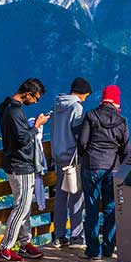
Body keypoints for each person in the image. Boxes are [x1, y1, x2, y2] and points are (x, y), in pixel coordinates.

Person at [0, 78, 49, 262]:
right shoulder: (15, 111)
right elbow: (22, 139)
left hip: (12, 163)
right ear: (27, 93)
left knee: (24, 205)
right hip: (21, 165)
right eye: (35, 98)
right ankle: (5, 247)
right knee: (22, 207)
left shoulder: (6, 107)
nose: (35, 102)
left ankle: (25, 243)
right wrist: (37, 126)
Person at [78, 84, 131, 259]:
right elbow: (126, 149)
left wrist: (86, 157)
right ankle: (109, 248)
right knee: (111, 207)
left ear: (103, 98)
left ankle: (93, 250)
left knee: (92, 208)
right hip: (113, 168)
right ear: (117, 101)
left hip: (92, 166)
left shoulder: (91, 116)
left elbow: (82, 143)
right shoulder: (122, 121)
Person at [48, 78, 92, 248]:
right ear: (82, 92)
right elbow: (79, 135)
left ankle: (59, 235)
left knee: (60, 196)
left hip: (58, 156)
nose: (86, 99)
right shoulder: (76, 107)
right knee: (76, 196)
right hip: (73, 158)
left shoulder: (57, 104)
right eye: (86, 95)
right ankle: (76, 236)